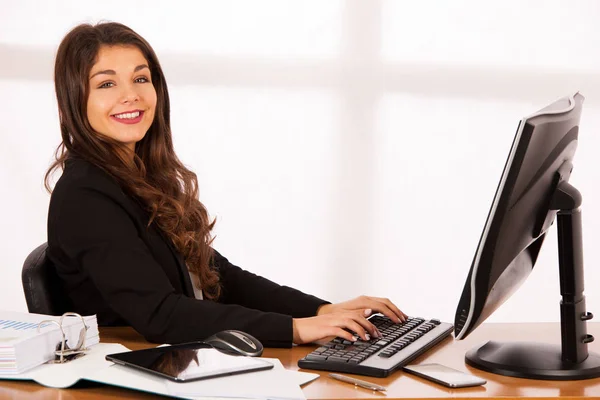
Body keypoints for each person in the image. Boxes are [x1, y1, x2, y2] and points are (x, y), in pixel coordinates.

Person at [46, 22, 407, 348]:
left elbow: (216, 275)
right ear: (77, 99)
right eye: (106, 84)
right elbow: (161, 315)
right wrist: (295, 329)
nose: (132, 95)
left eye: (141, 79)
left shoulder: (138, 177)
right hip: (128, 377)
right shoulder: (86, 195)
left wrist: (322, 309)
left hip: (179, 360)